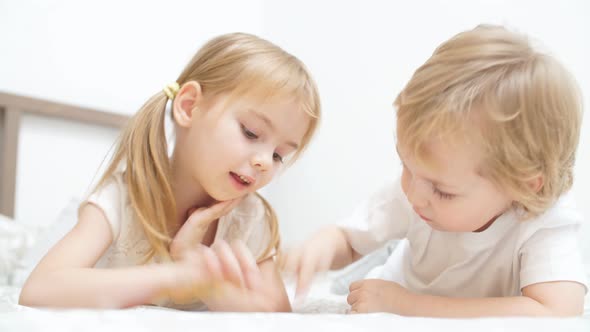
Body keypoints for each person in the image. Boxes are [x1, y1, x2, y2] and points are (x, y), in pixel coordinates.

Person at [283, 25, 587, 317]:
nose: (413, 195)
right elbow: (349, 240)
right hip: (395, 281)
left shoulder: (544, 221)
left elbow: (557, 311)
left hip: (400, 297)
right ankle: (385, 255)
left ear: (524, 185)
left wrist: (407, 305)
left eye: (443, 191)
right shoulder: (416, 190)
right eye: (406, 166)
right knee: (354, 279)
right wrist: (319, 248)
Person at [19, 32, 321, 312]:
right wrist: (175, 277)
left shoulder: (250, 218)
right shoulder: (124, 198)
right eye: (251, 133)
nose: (265, 162)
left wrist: (199, 269)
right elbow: (38, 290)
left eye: (280, 155)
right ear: (188, 107)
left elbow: (278, 317)